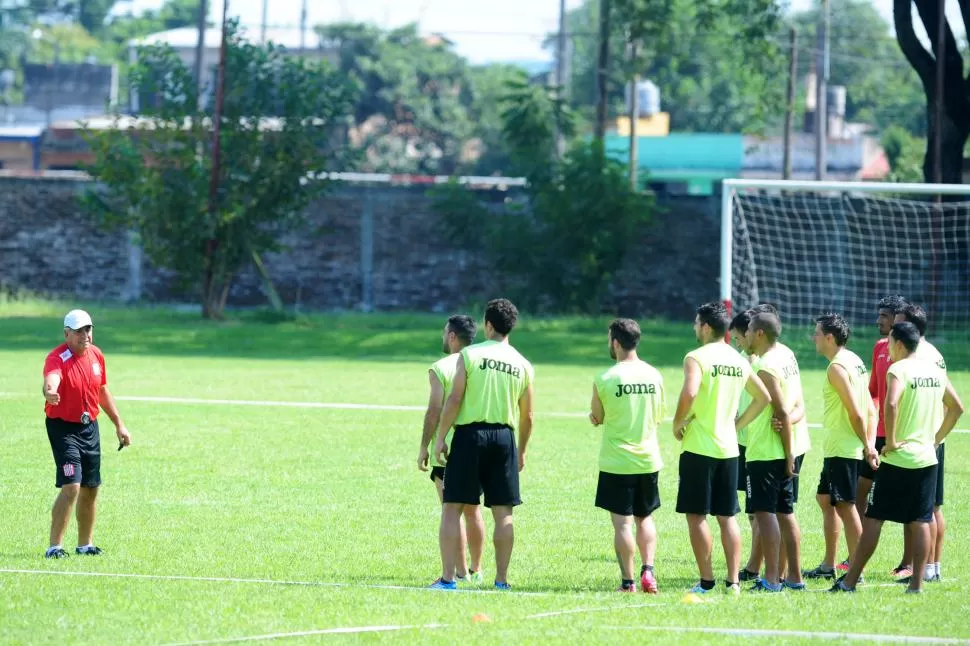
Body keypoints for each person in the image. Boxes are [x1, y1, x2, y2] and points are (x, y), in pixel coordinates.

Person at [832, 322, 963, 594]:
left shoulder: (898, 369)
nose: (887, 348)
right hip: (927, 458)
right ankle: (916, 586)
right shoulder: (935, 370)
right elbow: (956, 407)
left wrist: (890, 441)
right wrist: (935, 439)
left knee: (873, 518)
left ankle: (850, 581)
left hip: (899, 458)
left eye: (890, 342)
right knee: (921, 519)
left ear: (901, 344)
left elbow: (890, 403)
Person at [432, 298, 534, 591]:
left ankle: (449, 579)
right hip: (504, 438)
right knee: (503, 513)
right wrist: (522, 450)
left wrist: (441, 438)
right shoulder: (523, 364)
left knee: (452, 507)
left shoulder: (470, 355)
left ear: (488, 325)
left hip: (469, 436)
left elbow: (455, 399)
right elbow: (528, 414)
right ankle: (501, 580)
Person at [672, 301, 770, 595]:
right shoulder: (738, 358)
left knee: (697, 516)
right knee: (727, 517)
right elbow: (763, 397)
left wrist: (677, 423)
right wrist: (736, 426)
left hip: (699, 447)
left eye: (695, 323)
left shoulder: (696, 357)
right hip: (729, 449)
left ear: (704, 326)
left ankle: (706, 582)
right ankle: (734, 582)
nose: (694, 327)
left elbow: (690, 392)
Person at [42, 309, 132, 559]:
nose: (85, 335)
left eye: (88, 329)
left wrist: (119, 424)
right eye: (80, 331)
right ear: (67, 333)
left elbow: (102, 391)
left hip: (89, 427)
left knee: (91, 488)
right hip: (63, 429)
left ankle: (85, 545)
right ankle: (54, 547)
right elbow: (52, 379)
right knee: (71, 487)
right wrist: (50, 391)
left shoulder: (96, 355)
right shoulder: (57, 357)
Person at [588, 318, 664, 593]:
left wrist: (595, 418)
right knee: (645, 518)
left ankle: (628, 582)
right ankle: (649, 570)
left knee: (622, 523)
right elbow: (658, 416)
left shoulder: (605, 378)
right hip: (648, 458)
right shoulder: (655, 375)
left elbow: (598, 416)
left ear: (616, 342)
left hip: (617, 460)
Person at [804, 313, 877, 580]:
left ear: (829, 337)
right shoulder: (855, 361)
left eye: (817, 333)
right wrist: (868, 442)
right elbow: (871, 409)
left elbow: (857, 413)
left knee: (846, 506)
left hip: (843, 449)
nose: (814, 338)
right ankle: (828, 565)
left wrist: (868, 446)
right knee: (825, 499)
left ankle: (857, 569)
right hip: (840, 447)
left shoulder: (837, 368)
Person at [417, 315, 486, 584]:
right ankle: (477, 570)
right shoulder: (480, 363)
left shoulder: (441, 367)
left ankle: (458, 572)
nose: (443, 336)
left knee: (451, 509)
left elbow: (435, 409)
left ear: (453, 336)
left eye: (445, 332)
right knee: (473, 509)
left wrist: (425, 445)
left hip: (449, 447)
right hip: (478, 443)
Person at [740, 312, 805, 592]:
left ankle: (772, 579)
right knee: (785, 512)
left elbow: (780, 411)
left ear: (760, 334)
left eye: (749, 332)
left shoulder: (765, 367)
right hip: (782, 448)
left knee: (766, 514)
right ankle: (795, 578)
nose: (746, 338)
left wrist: (789, 453)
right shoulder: (787, 354)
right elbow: (796, 404)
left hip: (767, 450)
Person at [894, 303, 948, 583]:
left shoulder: (920, 356)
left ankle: (925, 568)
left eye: (899, 323)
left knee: (925, 510)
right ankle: (931, 567)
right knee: (933, 507)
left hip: (921, 438)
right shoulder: (935, 353)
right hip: (932, 435)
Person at [858, 295, 908, 577]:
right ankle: (855, 553)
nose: (879, 321)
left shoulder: (914, 355)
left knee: (908, 502)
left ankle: (907, 564)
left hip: (901, 437)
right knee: (859, 492)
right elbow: (873, 392)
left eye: (884, 316)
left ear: (898, 319)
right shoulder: (878, 348)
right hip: (876, 435)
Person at [728, 311, 762, 582]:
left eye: (739, 337)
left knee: (757, 511)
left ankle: (754, 567)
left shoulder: (757, 361)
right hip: (742, 441)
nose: (739, 342)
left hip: (755, 443)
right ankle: (759, 564)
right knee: (754, 510)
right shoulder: (742, 359)